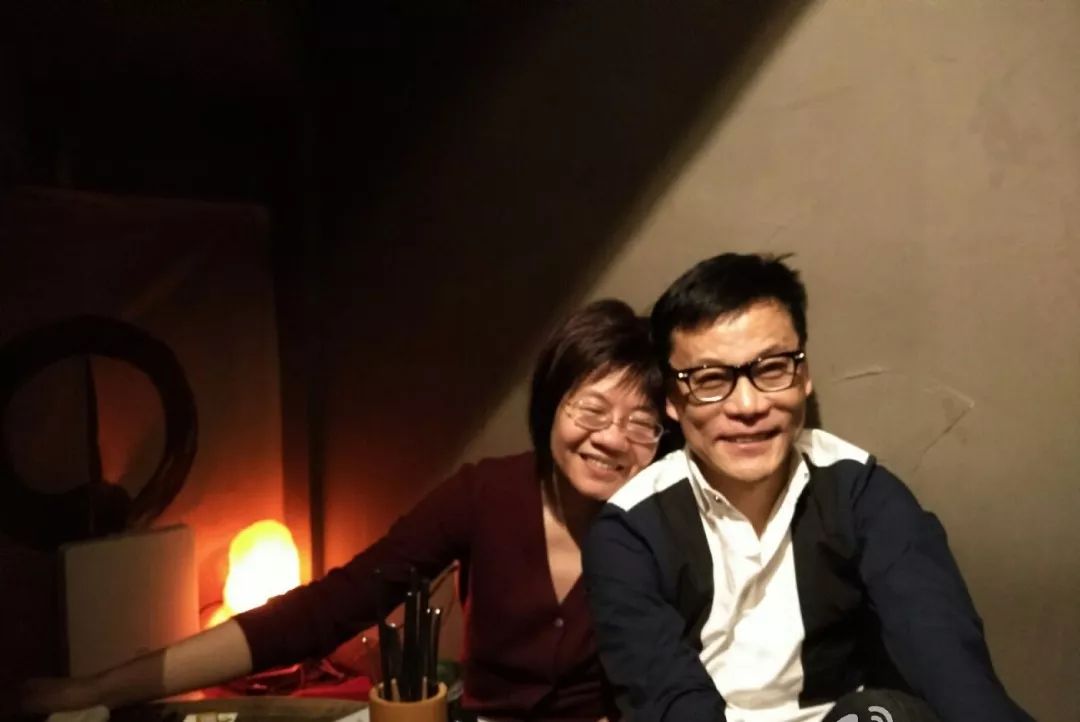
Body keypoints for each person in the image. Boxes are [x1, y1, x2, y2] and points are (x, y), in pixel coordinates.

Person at [16, 299, 669, 722]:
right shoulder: (485, 494)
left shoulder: (667, 528)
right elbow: (324, 611)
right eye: (591, 409)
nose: (612, 439)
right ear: (552, 404)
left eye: (641, 423)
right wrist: (91, 689)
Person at [582, 254, 1033, 722]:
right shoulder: (630, 532)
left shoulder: (860, 493)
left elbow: (948, 661)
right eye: (710, 379)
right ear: (673, 402)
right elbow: (668, 701)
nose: (748, 405)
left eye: (772, 368)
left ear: (804, 375)